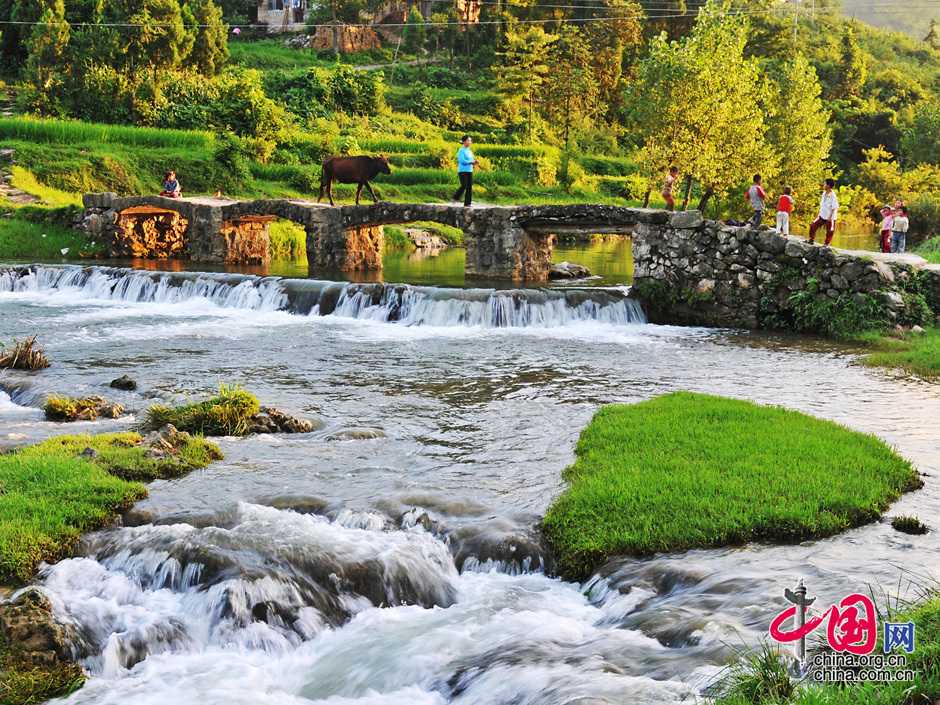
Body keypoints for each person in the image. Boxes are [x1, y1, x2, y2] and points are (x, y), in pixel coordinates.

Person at [808, 178, 839, 246]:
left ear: (828, 185)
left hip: (830, 217)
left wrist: (830, 218)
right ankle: (811, 240)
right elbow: (822, 205)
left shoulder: (833, 196)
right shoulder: (824, 193)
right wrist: (818, 214)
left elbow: (834, 208)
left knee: (830, 231)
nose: (823, 185)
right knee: (813, 226)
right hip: (822, 215)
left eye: (824, 184)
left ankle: (826, 244)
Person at [452, 135, 478, 207]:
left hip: (469, 170)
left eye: (470, 141)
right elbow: (462, 160)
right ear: (464, 141)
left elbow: (471, 159)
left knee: (469, 187)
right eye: (468, 140)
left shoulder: (469, 151)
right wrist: (471, 162)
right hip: (462, 171)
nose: (470, 142)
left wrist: (474, 162)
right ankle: (455, 197)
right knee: (464, 185)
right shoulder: (461, 150)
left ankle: (467, 203)